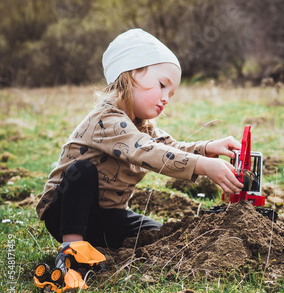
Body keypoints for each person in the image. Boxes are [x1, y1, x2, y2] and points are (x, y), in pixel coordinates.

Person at [35, 29, 243, 271]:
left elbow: (167, 147)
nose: (166, 98)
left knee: (160, 234)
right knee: (82, 171)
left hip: (107, 215)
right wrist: (204, 166)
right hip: (64, 212)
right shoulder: (107, 119)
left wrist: (205, 149)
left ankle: (95, 245)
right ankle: (72, 254)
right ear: (133, 72)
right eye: (162, 85)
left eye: (171, 93)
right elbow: (147, 152)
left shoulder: (139, 125)